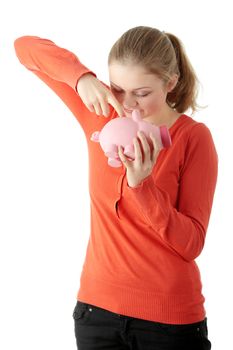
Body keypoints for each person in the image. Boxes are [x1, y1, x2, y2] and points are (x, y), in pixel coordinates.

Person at [14, 26, 218, 350]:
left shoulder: (193, 138)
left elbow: (191, 243)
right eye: (119, 89)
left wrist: (143, 186)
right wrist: (81, 78)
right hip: (97, 314)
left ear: (170, 83)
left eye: (142, 93)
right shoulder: (101, 114)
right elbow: (24, 47)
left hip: (170, 323)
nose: (129, 105)